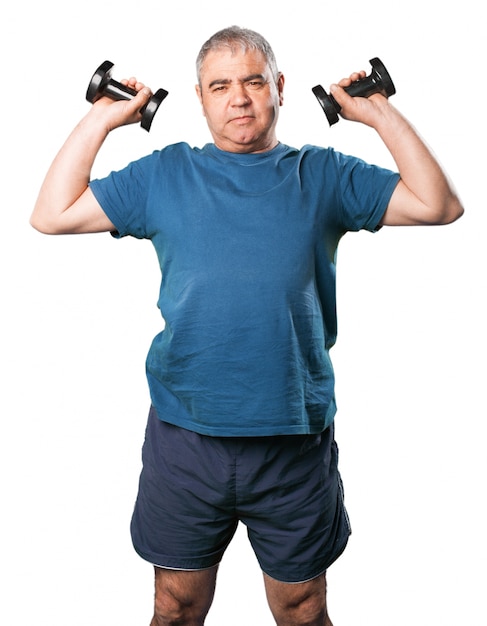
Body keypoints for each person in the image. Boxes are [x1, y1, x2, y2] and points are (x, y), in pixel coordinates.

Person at [30, 25, 463, 626]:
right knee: (175, 605)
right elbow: (51, 214)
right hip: (186, 439)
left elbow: (439, 204)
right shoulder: (164, 174)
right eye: (220, 86)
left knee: (303, 608)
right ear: (200, 97)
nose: (239, 98)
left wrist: (377, 112)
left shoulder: (324, 174)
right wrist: (104, 117)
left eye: (254, 81)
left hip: (293, 442)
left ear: (279, 88)